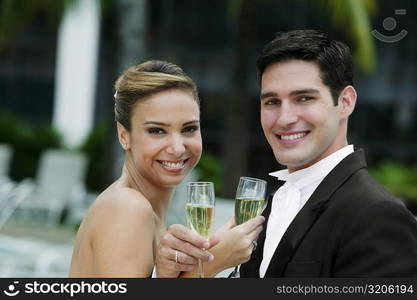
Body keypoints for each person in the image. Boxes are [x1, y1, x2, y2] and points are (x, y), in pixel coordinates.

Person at [155, 30, 417, 277]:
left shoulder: (378, 215)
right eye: (271, 102)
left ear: (345, 102)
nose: (284, 118)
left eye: (303, 98)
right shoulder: (272, 203)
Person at [69, 60, 264, 277]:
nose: (177, 148)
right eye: (157, 131)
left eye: (189, 128)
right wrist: (214, 261)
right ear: (124, 136)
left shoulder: (144, 211)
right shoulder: (127, 208)